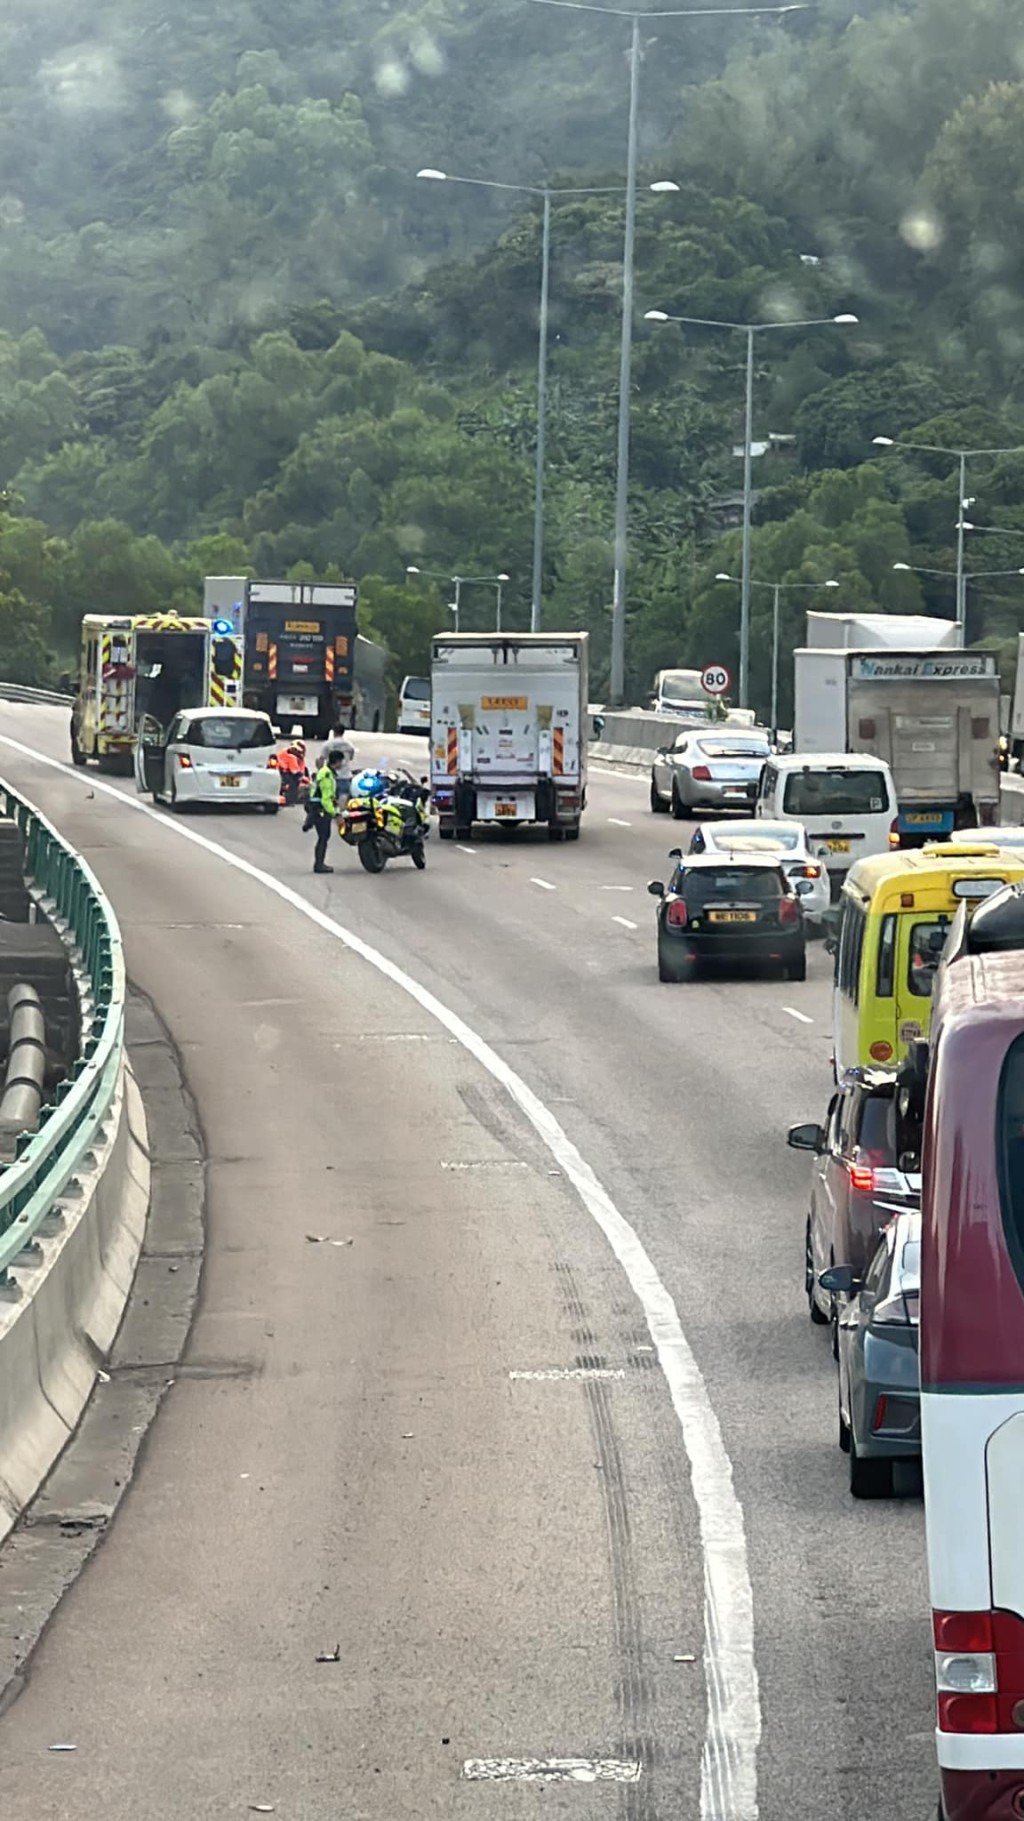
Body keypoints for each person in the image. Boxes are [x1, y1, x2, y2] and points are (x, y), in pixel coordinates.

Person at [307, 748, 347, 874]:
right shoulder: (327, 775)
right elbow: (325, 799)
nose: (342, 765)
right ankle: (319, 865)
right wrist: (336, 814)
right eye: (341, 762)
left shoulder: (327, 772)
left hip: (317, 806)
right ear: (337, 761)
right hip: (320, 808)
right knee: (323, 836)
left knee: (323, 836)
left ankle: (319, 863)